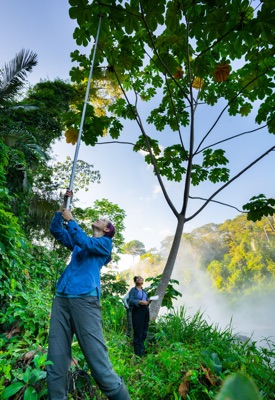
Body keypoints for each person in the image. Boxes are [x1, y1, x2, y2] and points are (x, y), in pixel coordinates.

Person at [46, 189, 130, 400]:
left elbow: (85, 242)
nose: (99, 218)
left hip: (85, 300)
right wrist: (61, 210)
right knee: (56, 359)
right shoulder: (80, 241)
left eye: (103, 219)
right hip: (62, 298)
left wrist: (72, 220)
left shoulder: (105, 245)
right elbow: (56, 231)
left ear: (107, 229)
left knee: (97, 361)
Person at [128, 276, 150, 357]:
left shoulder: (144, 291)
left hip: (145, 311)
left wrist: (148, 301)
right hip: (137, 311)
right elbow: (130, 301)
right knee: (138, 331)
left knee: (144, 331)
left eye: (141, 278)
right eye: (138, 278)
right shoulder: (133, 290)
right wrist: (140, 302)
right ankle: (137, 354)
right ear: (135, 281)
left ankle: (142, 351)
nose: (140, 279)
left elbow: (146, 301)